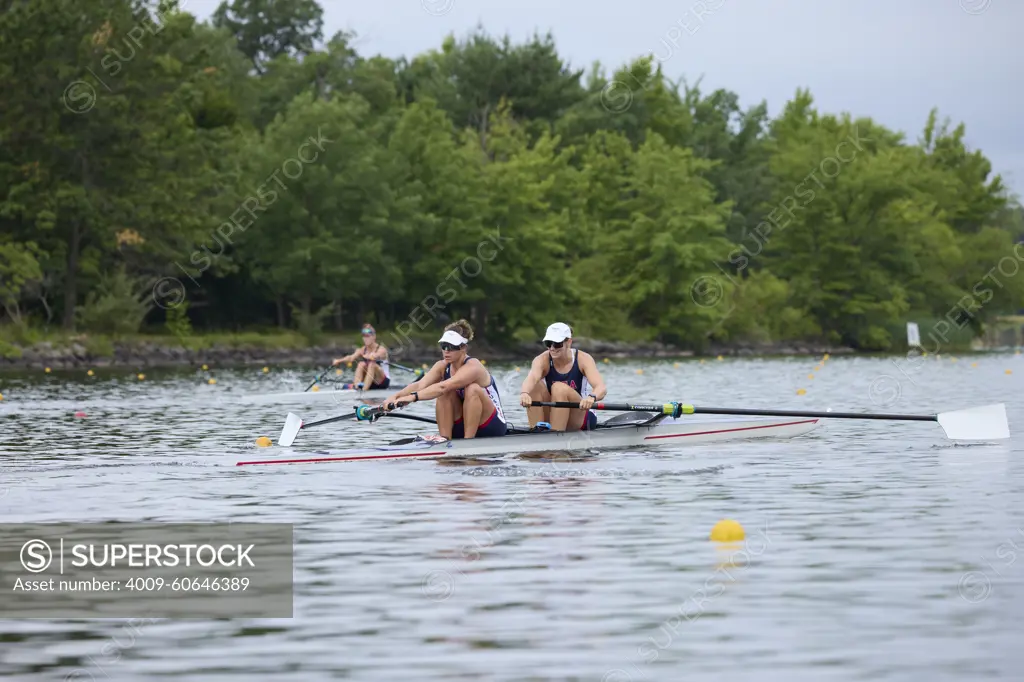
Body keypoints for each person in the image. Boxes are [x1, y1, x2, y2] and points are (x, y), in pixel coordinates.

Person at [380, 319, 507, 439]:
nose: (446, 351)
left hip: (491, 425)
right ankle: (445, 440)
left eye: (452, 347)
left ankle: (468, 442)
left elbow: (443, 386)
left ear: (463, 348)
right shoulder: (442, 366)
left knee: (470, 388)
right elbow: (420, 385)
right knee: (444, 393)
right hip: (462, 423)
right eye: (444, 346)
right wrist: (395, 396)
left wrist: (413, 397)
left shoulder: (474, 366)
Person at [519, 322, 607, 431]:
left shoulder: (583, 359)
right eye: (548, 343)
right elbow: (532, 378)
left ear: (569, 342)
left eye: (557, 344)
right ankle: (536, 431)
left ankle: (556, 435)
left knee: (558, 388)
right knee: (534, 386)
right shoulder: (541, 360)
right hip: (556, 412)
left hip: (581, 414)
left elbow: (601, 387)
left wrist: (592, 397)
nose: (552, 348)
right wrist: (524, 393)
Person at [332, 323, 390, 390]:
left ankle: (363, 390)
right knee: (361, 364)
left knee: (372, 364)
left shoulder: (381, 349)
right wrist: (338, 361)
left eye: (368, 336)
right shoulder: (362, 350)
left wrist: (372, 356)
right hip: (369, 382)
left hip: (381, 381)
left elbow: (377, 355)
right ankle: (356, 387)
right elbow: (351, 358)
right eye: (364, 336)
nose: (366, 338)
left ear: (374, 337)